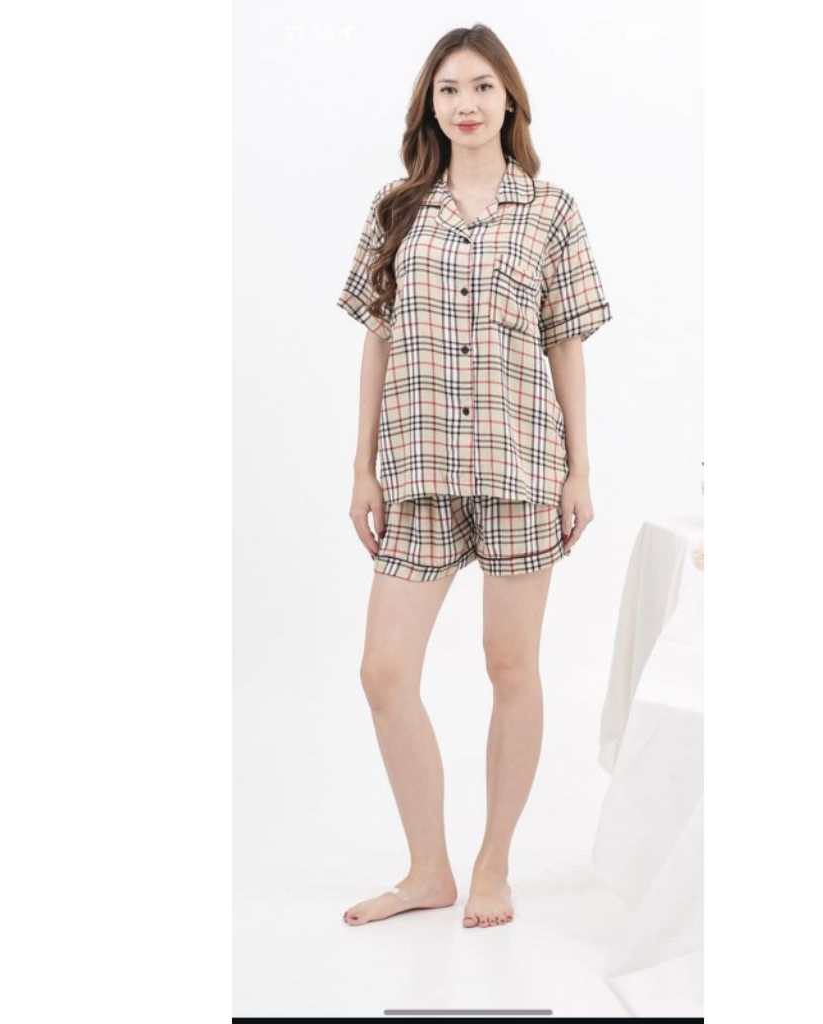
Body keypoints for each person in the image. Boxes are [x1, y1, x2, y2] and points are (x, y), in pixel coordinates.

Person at [336, 24, 612, 929]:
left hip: (521, 464)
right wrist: (362, 467)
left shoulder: (551, 211)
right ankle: (429, 870)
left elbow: (565, 344)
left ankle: (494, 864)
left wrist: (579, 469)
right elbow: (378, 340)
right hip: (416, 468)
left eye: (482, 86)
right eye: (449, 88)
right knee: (384, 672)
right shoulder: (396, 210)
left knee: (510, 665)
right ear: (430, 104)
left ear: (510, 99)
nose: (466, 103)